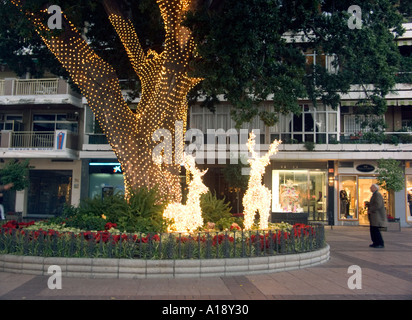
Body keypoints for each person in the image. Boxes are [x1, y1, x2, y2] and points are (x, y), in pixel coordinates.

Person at [368, 184, 387, 248]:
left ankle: (379, 243)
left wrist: (371, 209)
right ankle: (375, 242)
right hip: (374, 215)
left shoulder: (377, 195)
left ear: (375, 188)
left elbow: (378, 205)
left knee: (375, 230)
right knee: (373, 229)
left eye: (371, 187)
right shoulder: (374, 194)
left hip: (376, 216)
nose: (370, 188)